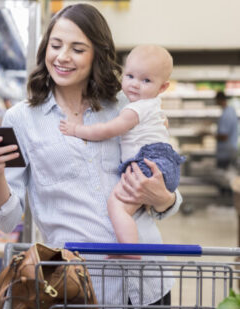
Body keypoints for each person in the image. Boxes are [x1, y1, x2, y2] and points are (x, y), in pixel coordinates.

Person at [0, 4, 182, 309]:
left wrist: (164, 197)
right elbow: (7, 220)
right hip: (79, 290)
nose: (62, 57)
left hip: (148, 283)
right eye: (56, 45)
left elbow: (166, 191)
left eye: (77, 49)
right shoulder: (19, 119)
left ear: (97, 55)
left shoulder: (126, 107)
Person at [59, 45, 185, 246]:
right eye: (130, 76)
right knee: (132, 207)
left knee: (117, 205)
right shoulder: (155, 108)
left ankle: (128, 249)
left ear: (162, 88)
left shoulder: (135, 109)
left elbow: (107, 130)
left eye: (146, 80)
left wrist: (76, 130)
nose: (135, 85)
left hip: (147, 164)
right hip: (164, 164)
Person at [215, 91, 238, 169]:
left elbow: (224, 136)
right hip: (231, 149)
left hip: (226, 153)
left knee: (223, 176)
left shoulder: (226, 115)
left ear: (218, 100)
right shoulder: (231, 110)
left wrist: (208, 134)